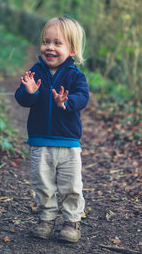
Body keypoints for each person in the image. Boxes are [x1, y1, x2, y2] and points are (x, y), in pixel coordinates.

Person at [15, 17, 89, 243]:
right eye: (46, 42)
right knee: (43, 184)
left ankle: (71, 221)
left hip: (68, 142)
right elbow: (21, 98)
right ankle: (46, 219)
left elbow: (83, 97)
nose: (50, 47)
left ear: (72, 49)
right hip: (40, 141)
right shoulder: (35, 71)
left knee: (71, 185)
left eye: (58, 43)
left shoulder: (75, 76)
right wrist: (30, 92)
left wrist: (66, 102)